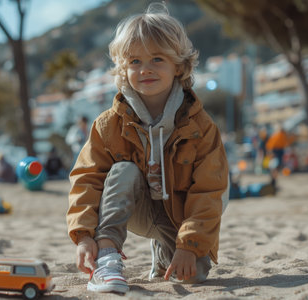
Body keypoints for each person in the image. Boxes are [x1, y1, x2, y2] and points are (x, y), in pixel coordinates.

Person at [66, 3, 229, 294]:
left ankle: (164, 251)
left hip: (176, 215)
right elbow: (86, 178)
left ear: (178, 65)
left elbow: (208, 191)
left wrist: (189, 246)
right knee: (123, 170)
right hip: (134, 207)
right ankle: (107, 255)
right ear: (122, 68)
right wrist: (83, 236)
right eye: (135, 62)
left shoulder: (201, 127)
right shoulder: (108, 124)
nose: (146, 70)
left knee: (193, 275)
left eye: (157, 59)